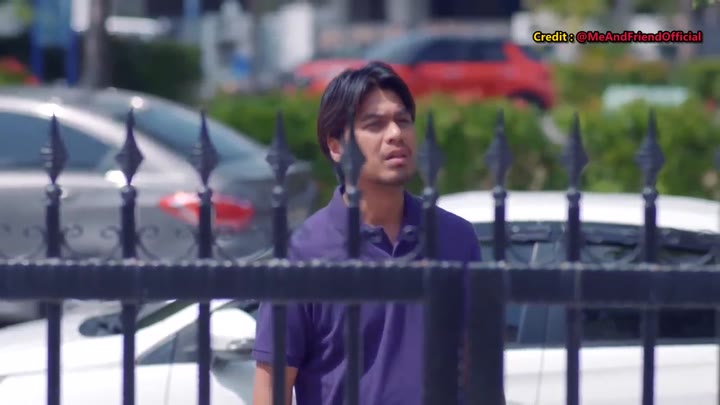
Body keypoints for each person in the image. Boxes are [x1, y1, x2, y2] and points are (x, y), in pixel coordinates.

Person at [251, 61, 482, 405]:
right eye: (375, 124)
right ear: (336, 146)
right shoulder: (302, 255)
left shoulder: (455, 238)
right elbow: (271, 390)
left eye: (403, 120)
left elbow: (479, 373)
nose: (395, 134)